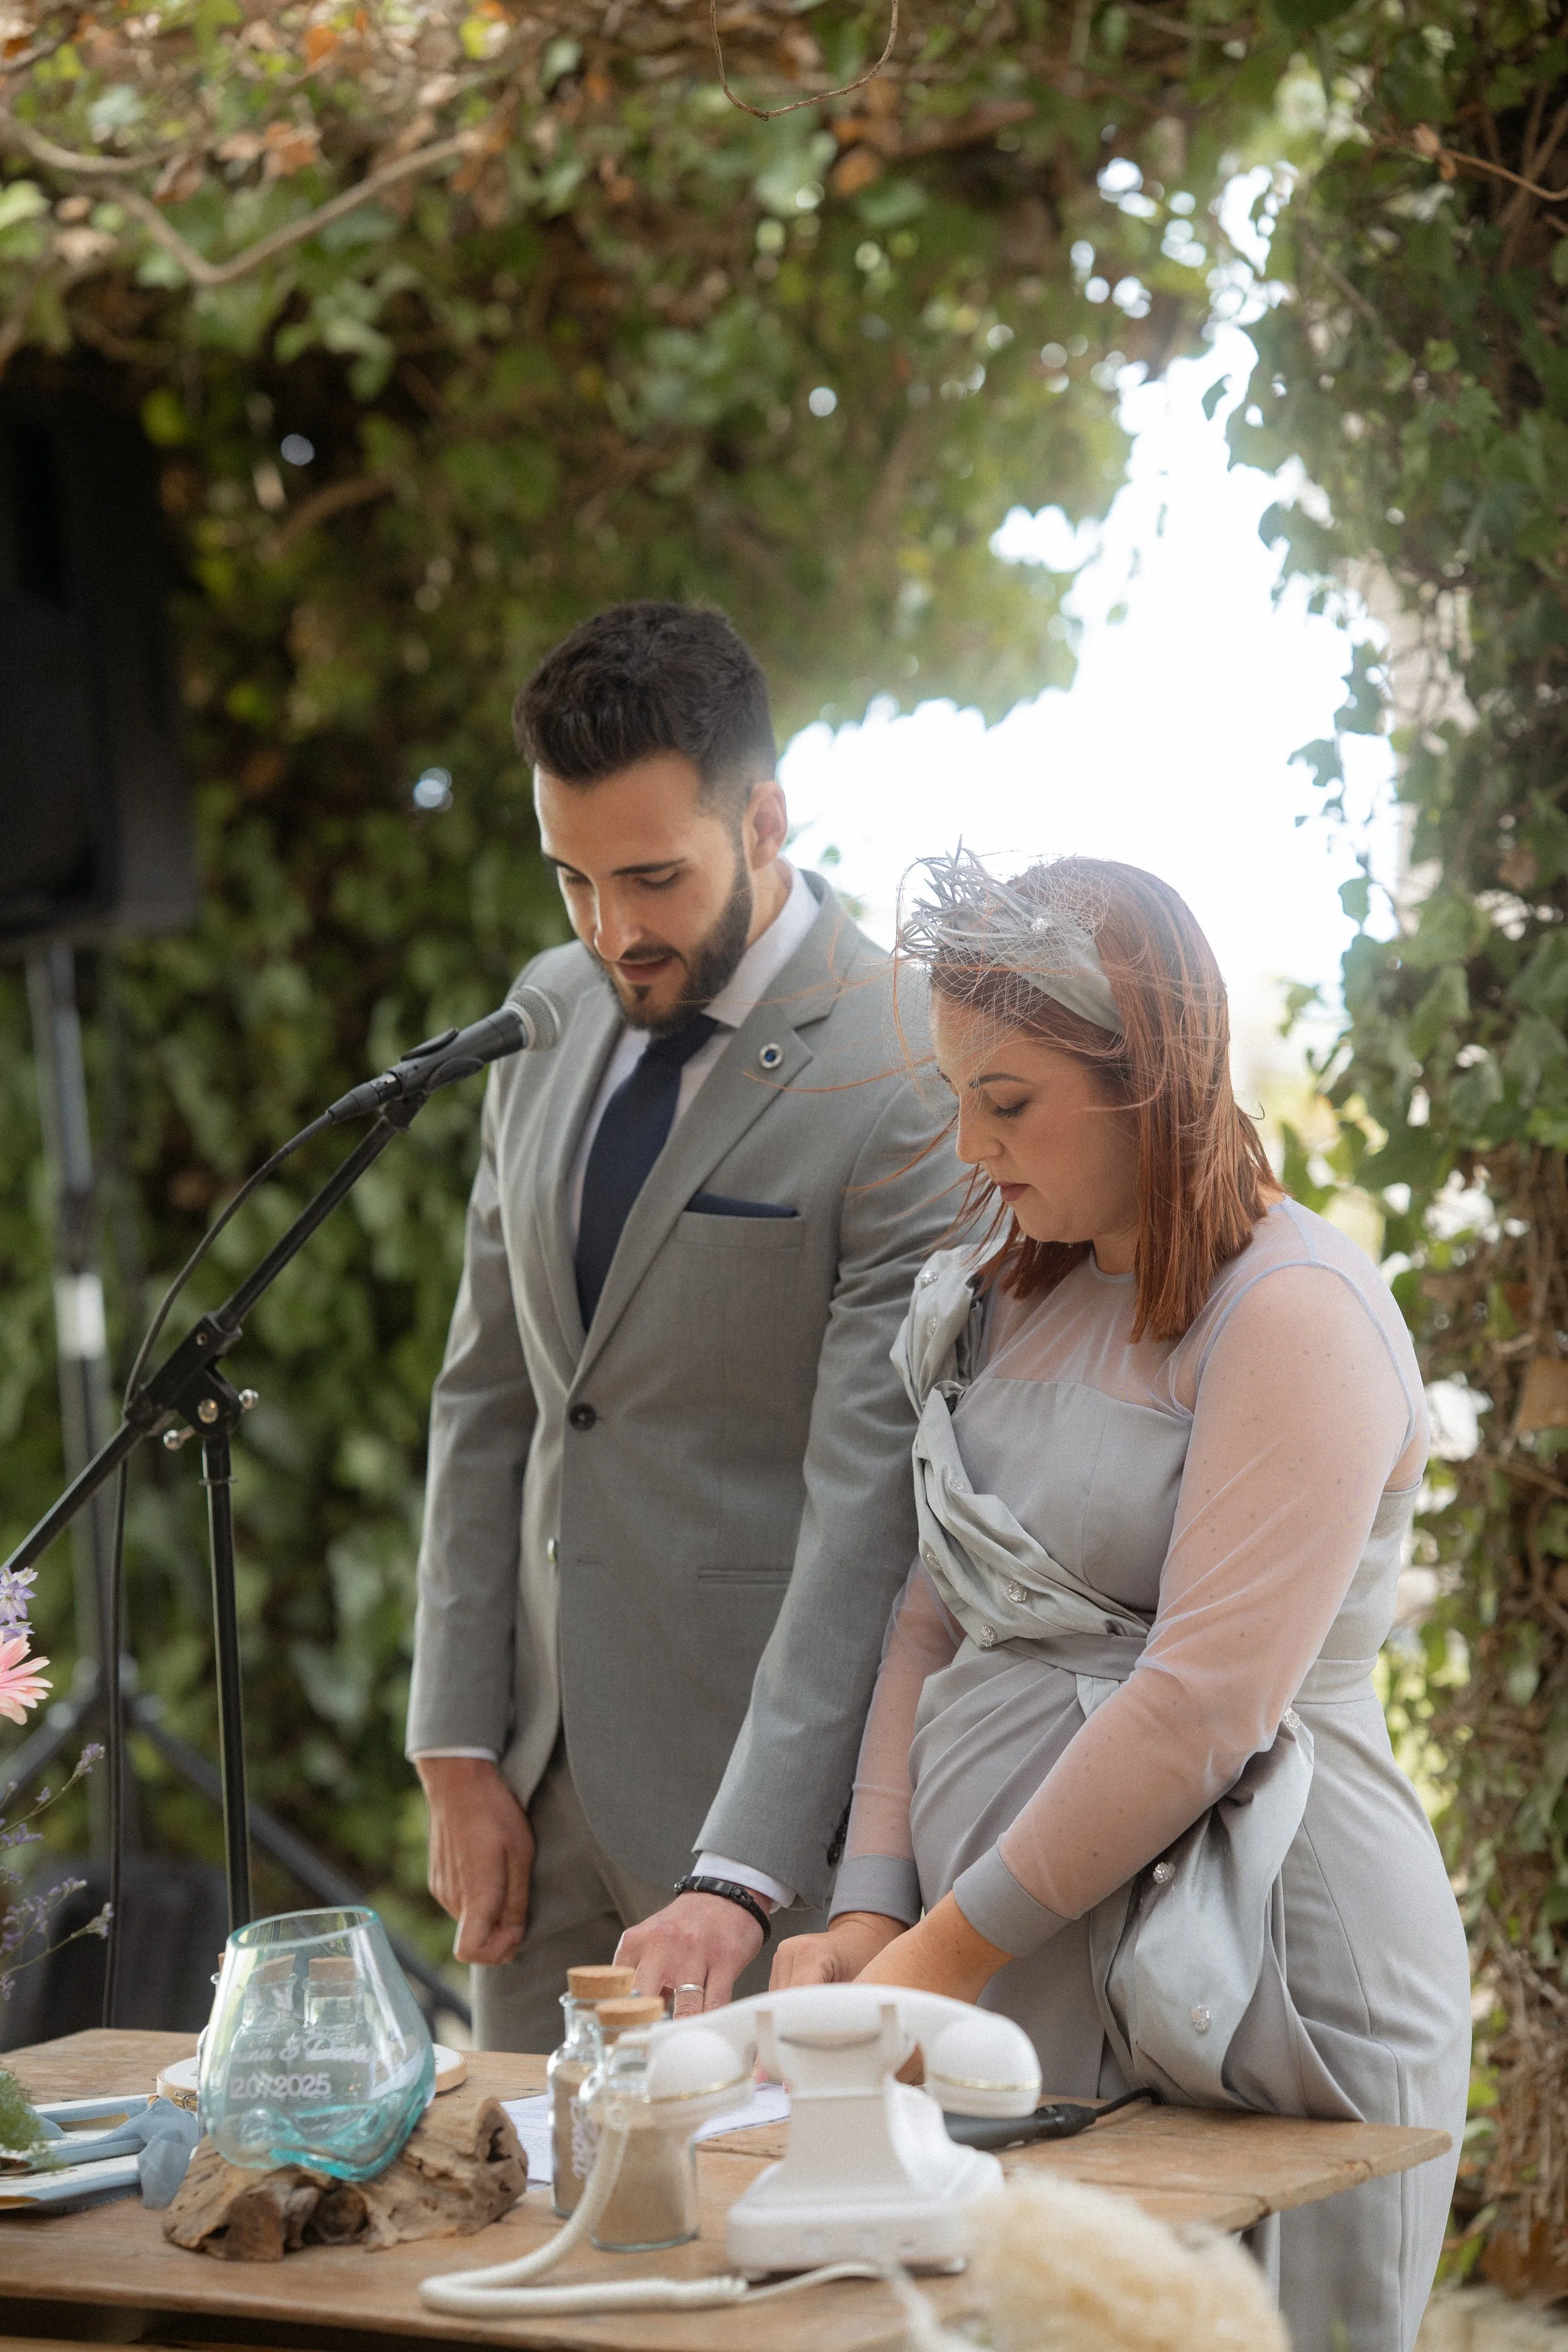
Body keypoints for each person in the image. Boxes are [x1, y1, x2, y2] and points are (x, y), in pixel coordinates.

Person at [775, 850, 1471, 2352]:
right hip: (1003, 1990)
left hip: (1272, 1989)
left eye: (1007, 1101)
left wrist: (936, 1959)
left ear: (1148, 1071)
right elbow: (932, 1613)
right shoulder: (1006, 1291)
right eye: (957, 1095)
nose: (969, 1146)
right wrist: (870, 1908)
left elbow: (1201, 1705)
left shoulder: (1290, 1310)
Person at [405, 600, 958, 2052]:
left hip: (762, 1839)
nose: (612, 933)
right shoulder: (544, 1012)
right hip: (532, 1803)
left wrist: (747, 1862)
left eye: (652, 878)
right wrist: (457, 1746)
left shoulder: (905, 1066)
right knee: (512, 2178)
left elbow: (866, 1510)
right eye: (572, 882)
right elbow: (490, 1395)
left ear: (764, 820)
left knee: (747, 2197)